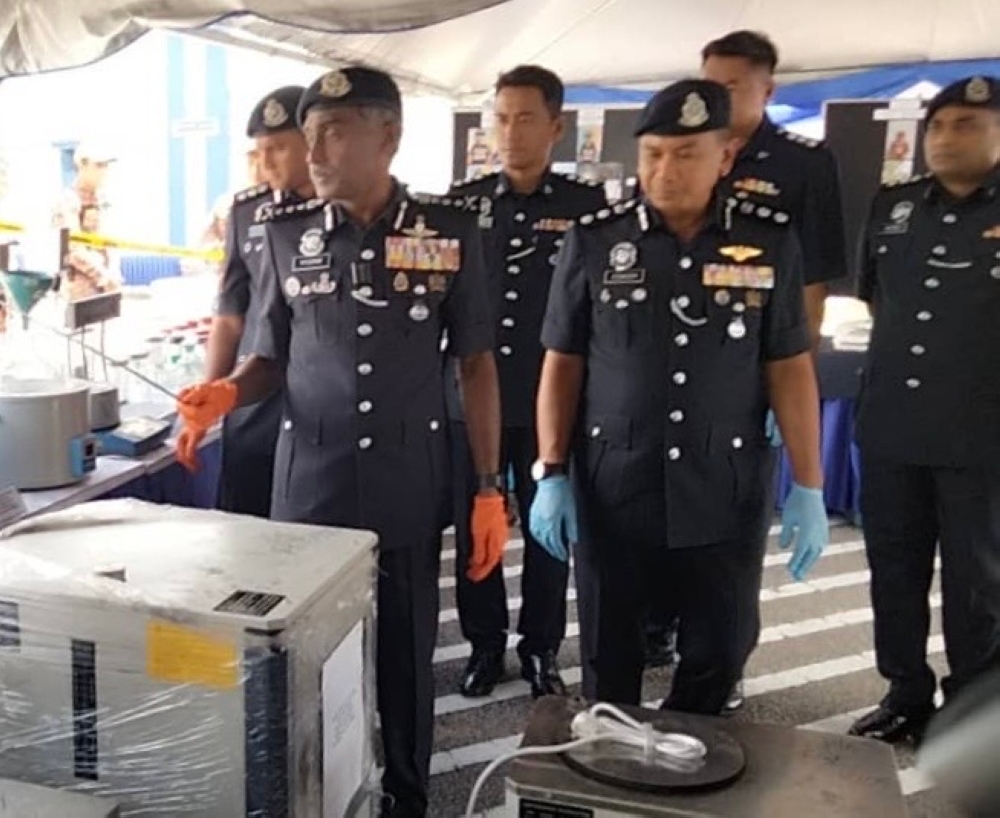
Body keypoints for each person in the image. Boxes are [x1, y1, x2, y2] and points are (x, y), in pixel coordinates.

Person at [174, 66, 506, 818]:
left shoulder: (447, 233)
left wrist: (489, 488)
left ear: (387, 136)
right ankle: (319, 795)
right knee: (311, 662)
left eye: (332, 132)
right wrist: (225, 391)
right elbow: (269, 360)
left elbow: (477, 363)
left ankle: (411, 797)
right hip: (310, 488)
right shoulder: (288, 237)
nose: (313, 150)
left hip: (408, 483)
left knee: (405, 660)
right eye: (309, 134)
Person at [530, 78, 829, 712]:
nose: (665, 170)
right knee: (610, 656)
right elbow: (563, 360)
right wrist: (550, 470)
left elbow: (789, 365)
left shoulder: (769, 240)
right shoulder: (594, 239)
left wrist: (810, 484)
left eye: (686, 154)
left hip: (723, 485)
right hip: (615, 483)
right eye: (653, 154)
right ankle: (611, 786)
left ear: (724, 157)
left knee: (720, 651)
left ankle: (688, 777)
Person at [685, 29, 848, 711]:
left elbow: (810, 286)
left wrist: (794, 390)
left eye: (731, 87)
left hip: (755, 371)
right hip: (683, 365)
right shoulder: (688, 149)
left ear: (767, 90)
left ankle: (726, 661)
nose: (716, 97)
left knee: (730, 532)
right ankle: (664, 632)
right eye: (709, 83)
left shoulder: (803, 164)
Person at [446, 65, 608, 699]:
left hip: (553, 400)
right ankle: (484, 645)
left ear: (556, 126)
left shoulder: (587, 210)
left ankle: (540, 646)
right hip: (476, 399)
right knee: (474, 525)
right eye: (501, 117)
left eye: (526, 118)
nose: (510, 132)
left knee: (550, 528)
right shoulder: (461, 205)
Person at [848, 76, 1000, 745]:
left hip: (982, 438)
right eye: (938, 126)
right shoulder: (894, 207)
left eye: (967, 124)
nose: (945, 138)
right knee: (895, 570)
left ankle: (972, 707)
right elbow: (875, 299)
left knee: (978, 583)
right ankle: (906, 691)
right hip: (893, 430)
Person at [177, 86, 314, 519]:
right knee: (245, 527)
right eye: (258, 151)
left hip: (317, 400)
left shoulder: (347, 210)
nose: (265, 163)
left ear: (312, 143)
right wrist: (208, 399)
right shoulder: (246, 213)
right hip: (253, 400)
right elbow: (229, 318)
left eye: (277, 148)